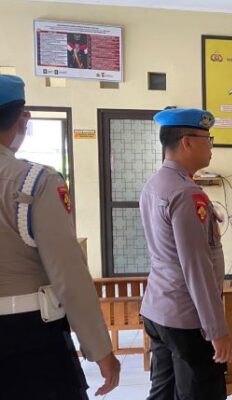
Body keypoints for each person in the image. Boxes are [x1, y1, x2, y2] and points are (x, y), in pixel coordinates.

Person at [0, 74, 120, 399]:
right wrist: (100, 349)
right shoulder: (33, 181)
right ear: (22, 118)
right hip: (28, 342)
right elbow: (68, 274)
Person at [139, 108, 232, 400]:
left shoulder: (154, 184)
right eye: (208, 140)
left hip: (158, 308)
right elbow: (196, 267)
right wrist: (216, 329)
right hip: (187, 317)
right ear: (187, 142)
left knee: (163, 392)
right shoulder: (186, 193)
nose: (211, 147)